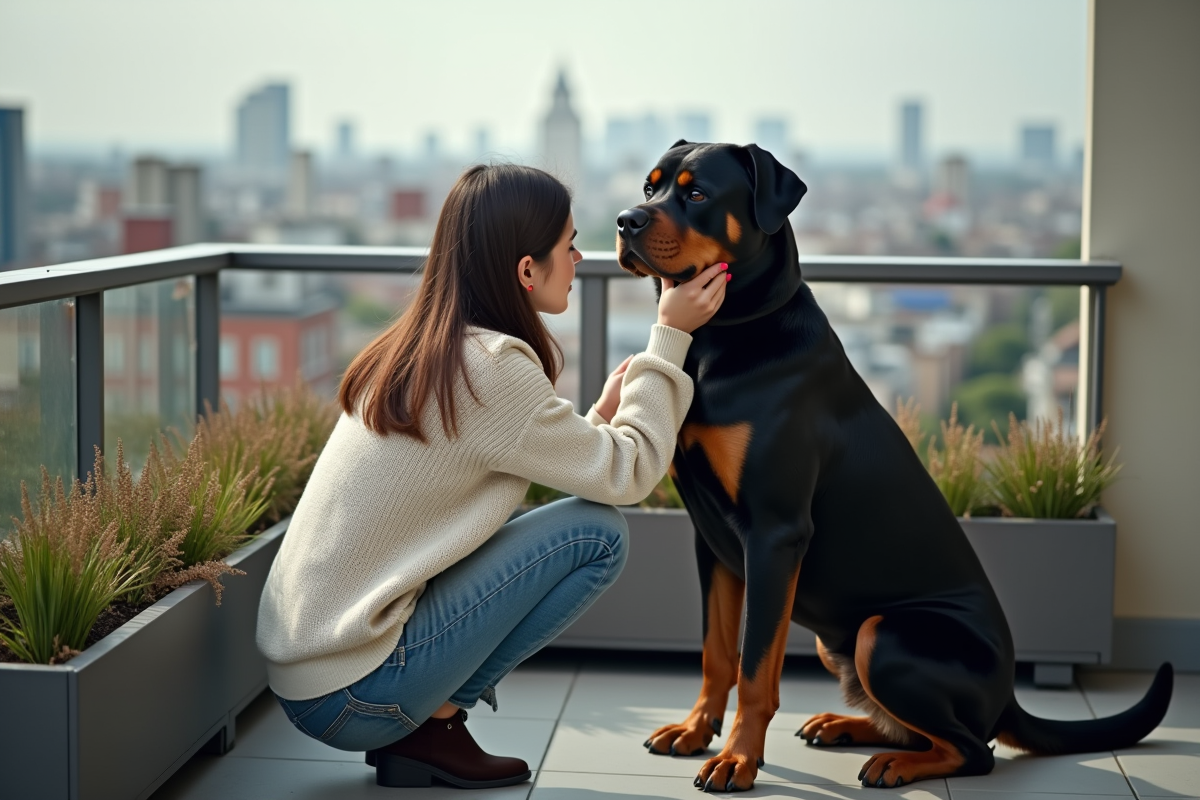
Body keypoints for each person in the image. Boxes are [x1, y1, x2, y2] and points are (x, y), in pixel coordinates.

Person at [256, 163, 730, 789]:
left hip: (312, 675)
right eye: (568, 245)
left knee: (580, 521)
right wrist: (669, 338)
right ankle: (438, 726)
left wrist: (600, 413)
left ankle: (426, 733)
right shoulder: (491, 366)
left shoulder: (423, 346)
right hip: (354, 695)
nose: (580, 257)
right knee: (597, 533)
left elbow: (504, 459)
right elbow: (628, 475)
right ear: (526, 271)